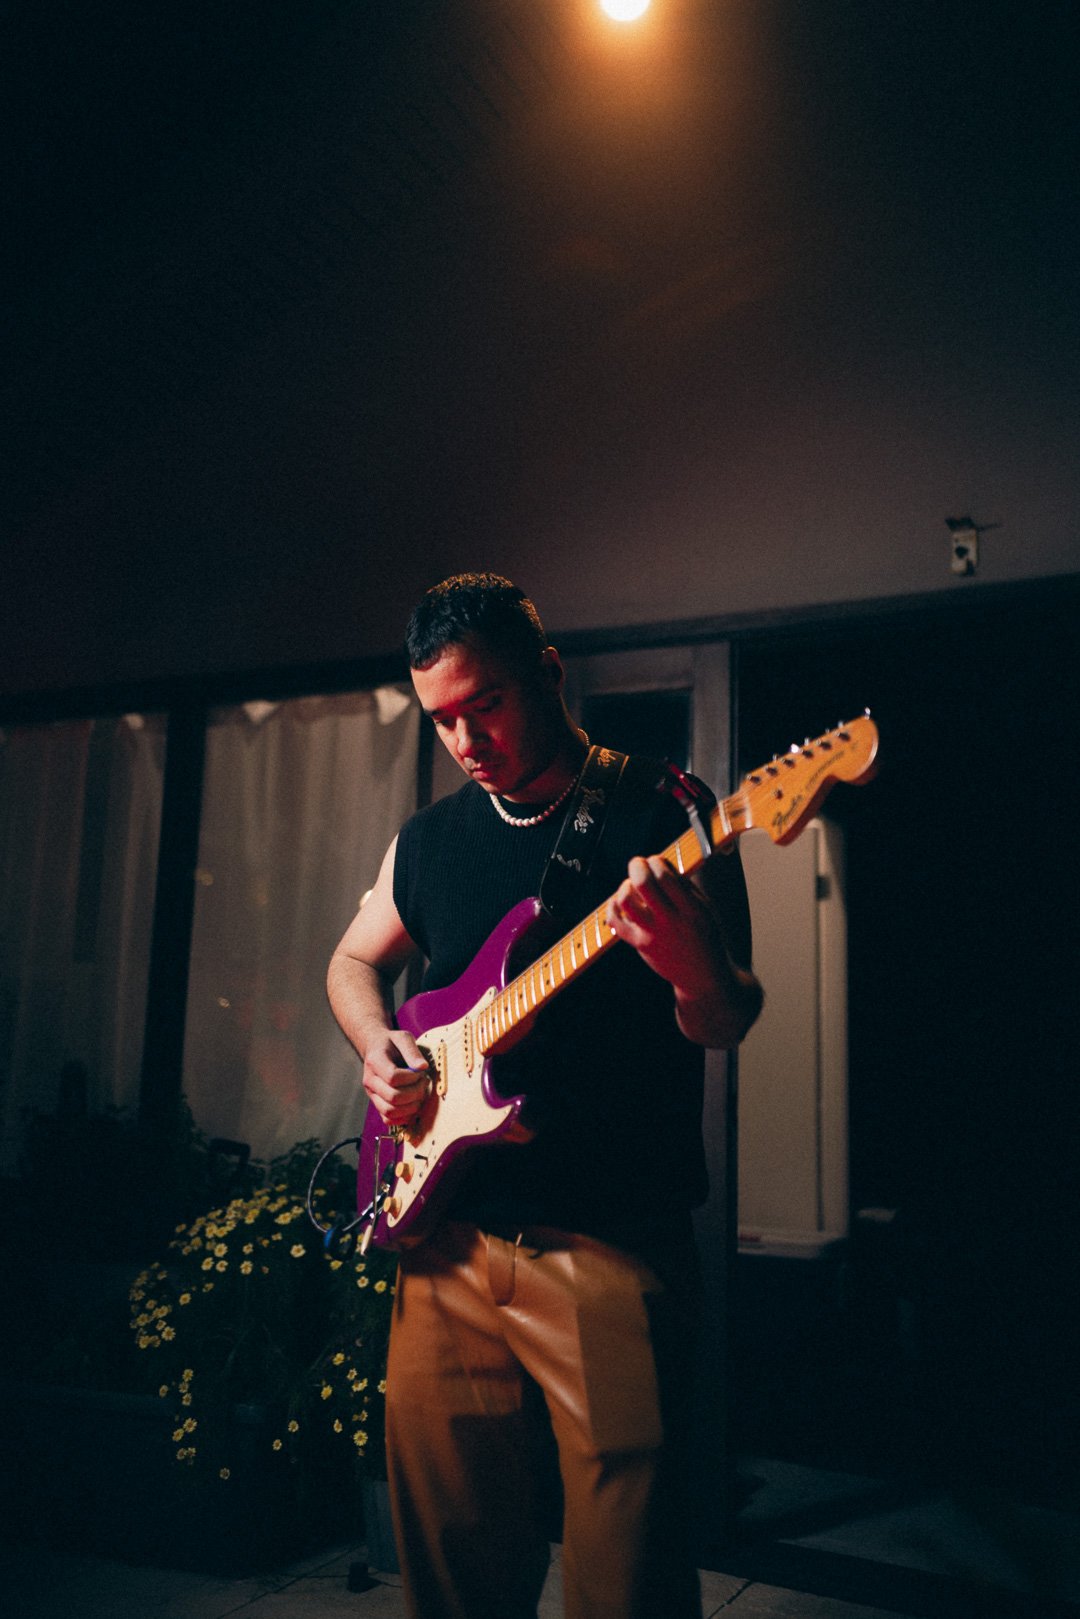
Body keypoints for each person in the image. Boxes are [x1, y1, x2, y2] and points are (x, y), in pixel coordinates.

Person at [327, 573, 763, 1619]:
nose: (467, 738)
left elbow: (729, 1015)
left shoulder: (667, 809)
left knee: (630, 1576)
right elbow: (351, 958)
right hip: (442, 1245)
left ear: (548, 673)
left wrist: (692, 963)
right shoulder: (427, 840)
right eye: (443, 719)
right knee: (454, 1571)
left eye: (488, 703)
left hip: (609, 1243)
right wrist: (377, 1040)